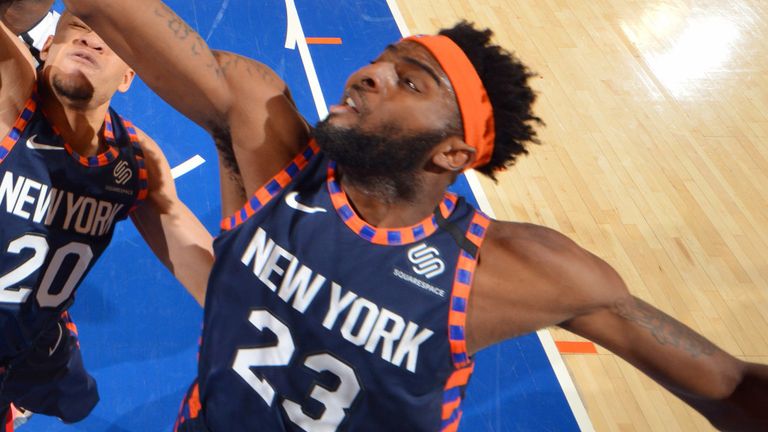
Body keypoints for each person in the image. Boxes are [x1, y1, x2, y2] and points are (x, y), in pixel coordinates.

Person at [65, 1, 768, 431]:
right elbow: (105, 8)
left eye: (410, 83)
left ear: (454, 153)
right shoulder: (271, 143)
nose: (369, 74)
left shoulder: (508, 271)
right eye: (380, 62)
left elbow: (731, 386)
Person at [0, 0, 212, 428]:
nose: (89, 37)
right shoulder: (11, 96)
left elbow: (205, 267)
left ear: (130, 75)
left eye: (109, 40)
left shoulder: (135, 161)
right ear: (45, 47)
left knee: (75, 396)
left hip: (34, 334)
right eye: (75, 27)